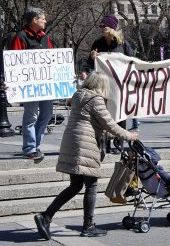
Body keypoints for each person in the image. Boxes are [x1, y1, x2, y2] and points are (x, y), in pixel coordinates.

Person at [33, 72, 138, 240]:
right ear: (101, 85)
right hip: (85, 145)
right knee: (91, 184)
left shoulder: (78, 95)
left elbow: (91, 123)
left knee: (75, 185)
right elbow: (109, 124)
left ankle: (46, 217)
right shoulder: (95, 99)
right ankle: (88, 226)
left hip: (72, 141)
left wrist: (111, 135)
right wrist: (128, 135)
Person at [88, 13, 138, 152]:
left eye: (104, 26)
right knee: (104, 114)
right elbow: (90, 65)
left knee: (119, 113)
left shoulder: (122, 43)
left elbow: (133, 61)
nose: (101, 28)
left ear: (112, 28)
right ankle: (104, 143)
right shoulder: (98, 43)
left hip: (119, 86)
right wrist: (93, 58)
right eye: (100, 26)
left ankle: (118, 142)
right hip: (102, 86)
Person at [10, 7, 54, 162]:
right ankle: (29, 149)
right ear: (35, 20)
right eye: (43, 19)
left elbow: (53, 58)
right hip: (29, 86)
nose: (45, 21)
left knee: (47, 114)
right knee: (31, 116)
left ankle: (35, 145)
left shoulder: (45, 38)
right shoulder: (20, 37)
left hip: (46, 84)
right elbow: (14, 62)